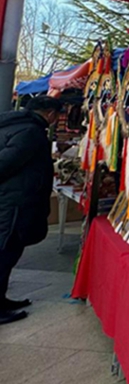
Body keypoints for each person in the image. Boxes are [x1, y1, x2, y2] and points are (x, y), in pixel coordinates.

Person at [0, 95, 62, 325]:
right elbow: (6, 163)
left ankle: (2, 299)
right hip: (13, 203)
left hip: (14, 200)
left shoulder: (16, 124)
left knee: (8, 253)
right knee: (5, 253)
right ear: (51, 114)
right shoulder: (30, 132)